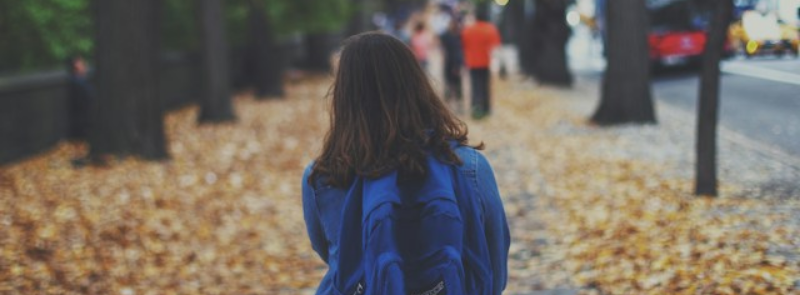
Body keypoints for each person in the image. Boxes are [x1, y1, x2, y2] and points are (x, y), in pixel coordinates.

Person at [301, 32, 509, 295]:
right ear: (418, 86)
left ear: (343, 96)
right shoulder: (469, 167)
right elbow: (495, 270)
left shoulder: (323, 177)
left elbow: (336, 259)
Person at [461, 8, 501, 119]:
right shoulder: (490, 29)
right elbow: (495, 47)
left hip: (472, 62)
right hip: (485, 62)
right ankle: (486, 108)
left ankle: (476, 109)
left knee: (475, 86)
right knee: (485, 86)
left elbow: (463, 45)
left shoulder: (468, 30)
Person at [439, 18, 465, 114]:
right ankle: (450, 105)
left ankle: (456, 105)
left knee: (455, 85)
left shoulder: (457, 36)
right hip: (450, 62)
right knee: (450, 84)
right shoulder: (454, 36)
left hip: (454, 62)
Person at [65, 55, 94, 140]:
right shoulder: (78, 82)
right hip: (82, 120)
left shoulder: (79, 81)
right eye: (82, 65)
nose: (84, 67)